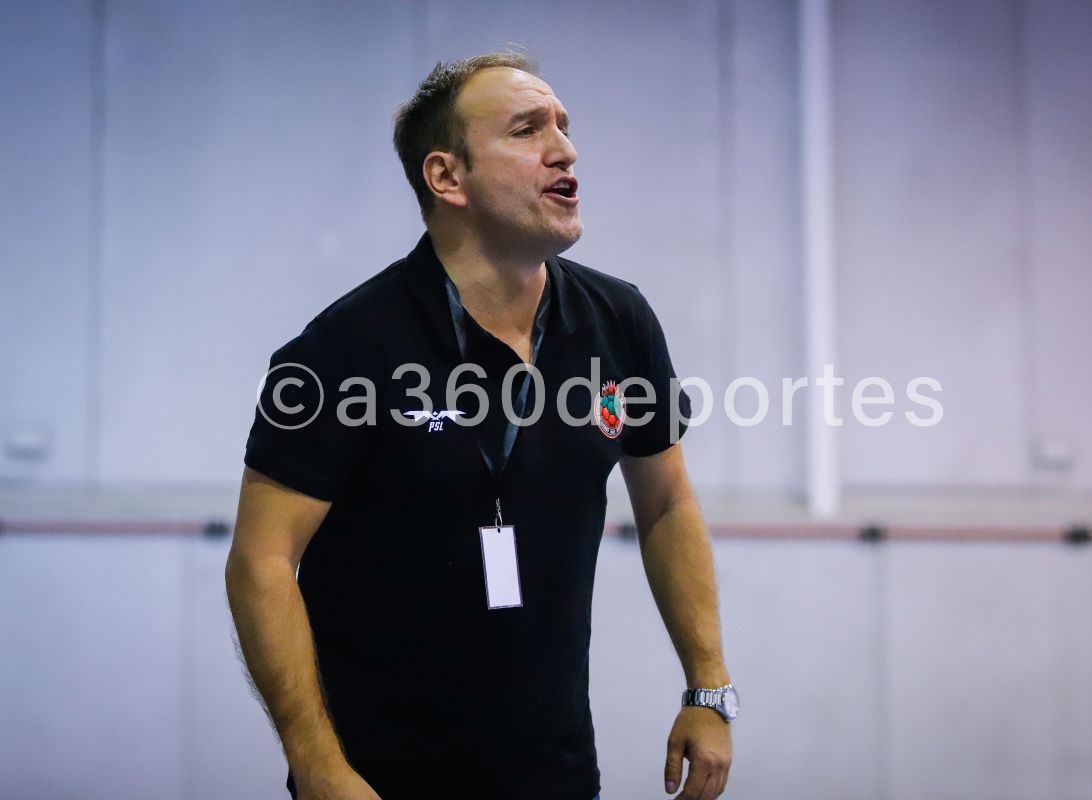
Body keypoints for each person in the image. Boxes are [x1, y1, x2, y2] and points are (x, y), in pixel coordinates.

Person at [225, 52, 736, 800]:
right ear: (447, 178)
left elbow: (666, 503)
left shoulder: (617, 320)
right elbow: (260, 563)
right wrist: (320, 766)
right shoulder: (341, 351)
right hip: (378, 780)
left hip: (556, 776)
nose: (565, 149)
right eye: (528, 130)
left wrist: (708, 689)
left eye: (563, 126)